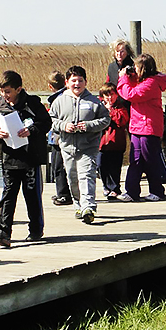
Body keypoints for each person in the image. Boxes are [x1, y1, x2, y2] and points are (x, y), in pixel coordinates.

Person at [0, 71, 51, 247]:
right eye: (2, 91)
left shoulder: (32, 103)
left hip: (30, 157)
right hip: (10, 157)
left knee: (32, 195)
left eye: (8, 91)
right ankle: (2, 232)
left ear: (18, 89)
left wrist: (31, 131)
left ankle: (36, 229)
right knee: (8, 194)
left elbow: (46, 123)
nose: (4, 95)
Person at [49, 65, 110, 222]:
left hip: (88, 146)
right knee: (72, 177)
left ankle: (88, 207)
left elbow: (105, 120)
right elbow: (51, 120)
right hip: (67, 147)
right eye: (73, 81)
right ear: (67, 82)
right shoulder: (59, 101)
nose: (77, 84)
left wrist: (88, 126)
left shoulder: (94, 101)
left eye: (80, 80)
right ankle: (78, 205)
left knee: (87, 175)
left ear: (86, 82)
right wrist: (64, 126)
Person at [117, 54, 166, 201]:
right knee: (135, 159)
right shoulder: (142, 80)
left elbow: (131, 94)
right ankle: (132, 192)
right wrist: (128, 75)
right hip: (136, 126)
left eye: (136, 67)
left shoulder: (152, 83)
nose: (134, 69)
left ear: (144, 69)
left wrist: (123, 79)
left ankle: (157, 191)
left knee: (149, 159)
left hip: (149, 126)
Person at [98, 82, 130, 199]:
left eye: (112, 94)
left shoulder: (121, 107)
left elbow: (122, 121)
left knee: (115, 167)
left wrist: (110, 111)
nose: (110, 98)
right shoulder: (99, 107)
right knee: (101, 164)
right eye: (107, 95)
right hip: (102, 144)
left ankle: (115, 188)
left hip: (117, 143)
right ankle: (106, 186)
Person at [46, 71, 71, 206]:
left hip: (58, 137)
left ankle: (63, 194)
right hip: (64, 136)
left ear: (50, 86)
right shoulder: (67, 95)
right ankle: (64, 192)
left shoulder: (57, 98)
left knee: (58, 166)